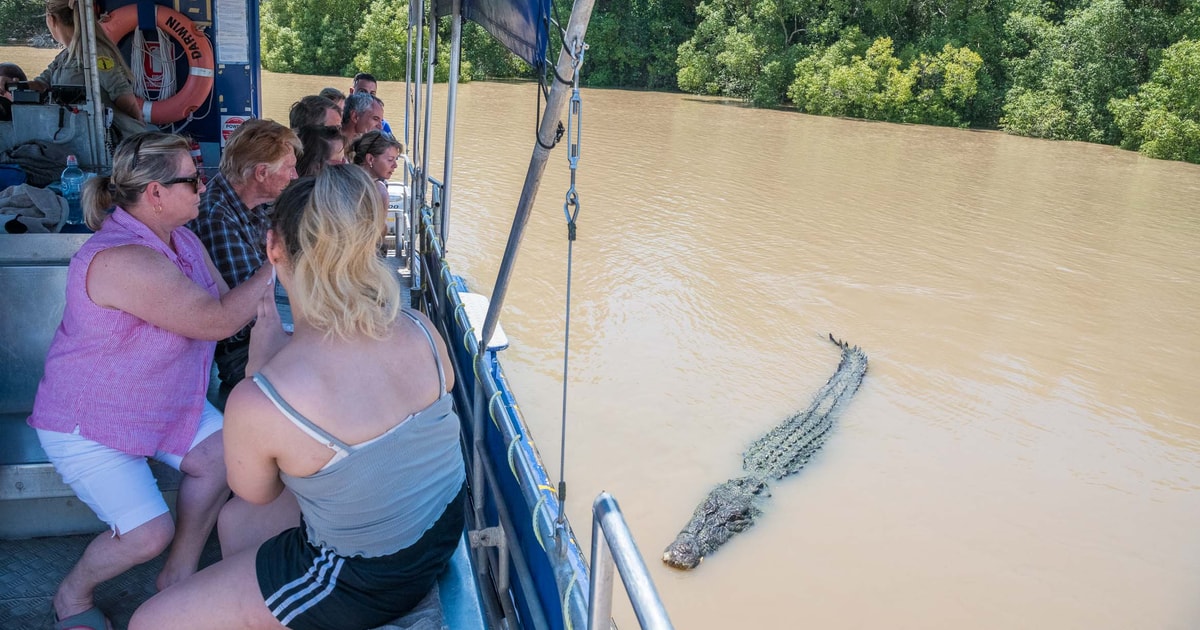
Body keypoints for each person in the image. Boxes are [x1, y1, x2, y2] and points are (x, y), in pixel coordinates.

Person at [130, 165, 467, 630]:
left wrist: (264, 371)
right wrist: (282, 364)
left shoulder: (263, 399)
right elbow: (359, 384)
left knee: (149, 622)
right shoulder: (420, 328)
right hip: (441, 528)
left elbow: (257, 489)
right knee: (235, 524)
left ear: (272, 248)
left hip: (368, 576)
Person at [27, 132, 275, 630]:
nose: (204, 187)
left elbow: (231, 303)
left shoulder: (182, 239)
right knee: (146, 534)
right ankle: (72, 597)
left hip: (165, 406)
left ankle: (177, 577)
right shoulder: (123, 258)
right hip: (88, 421)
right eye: (193, 179)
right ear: (156, 193)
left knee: (226, 457)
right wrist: (281, 261)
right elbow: (217, 320)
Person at [188, 119, 300, 402]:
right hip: (242, 352)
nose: (295, 175)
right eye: (289, 167)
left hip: (263, 330)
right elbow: (243, 319)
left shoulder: (251, 205)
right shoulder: (218, 217)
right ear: (262, 173)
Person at [29, 0, 146, 140]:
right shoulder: (64, 57)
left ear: (51, 19)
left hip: (111, 141)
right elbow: (41, 84)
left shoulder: (96, 53)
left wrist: (140, 129)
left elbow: (123, 96)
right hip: (79, 137)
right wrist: (11, 84)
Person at [349, 130, 402, 204]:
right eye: (390, 160)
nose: (395, 165)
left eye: (395, 159)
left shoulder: (349, 177)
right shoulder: (379, 190)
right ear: (370, 159)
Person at [349, 72, 393, 137]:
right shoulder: (339, 120)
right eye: (362, 92)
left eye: (372, 94)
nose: (368, 97)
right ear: (352, 92)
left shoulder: (383, 126)